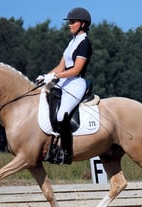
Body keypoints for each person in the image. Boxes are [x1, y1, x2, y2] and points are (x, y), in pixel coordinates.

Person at [37, 7, 93, 164]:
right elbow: (61, 66)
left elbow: (76, 69)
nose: (69, 24)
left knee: (62, 116)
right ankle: (51, 146)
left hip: (76, 83)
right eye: (69, 22)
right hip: (64, 80)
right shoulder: (72, 42)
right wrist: (46, 77)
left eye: (72, 22)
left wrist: (55, 76)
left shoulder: (85, 44)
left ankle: (67, 153)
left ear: (82, 24)